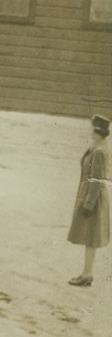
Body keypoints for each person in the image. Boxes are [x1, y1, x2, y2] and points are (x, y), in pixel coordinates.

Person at [67, 114, 110, 287]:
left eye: (91, 127)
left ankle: (87, 274)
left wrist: (88, 204)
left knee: (90, 237)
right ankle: (87, 273)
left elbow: (97, 180)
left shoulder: (99, 150)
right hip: (91, 196)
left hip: (93, 199)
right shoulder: (97, 146)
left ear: (98, 130)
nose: (89, 129)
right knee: (89, 237)